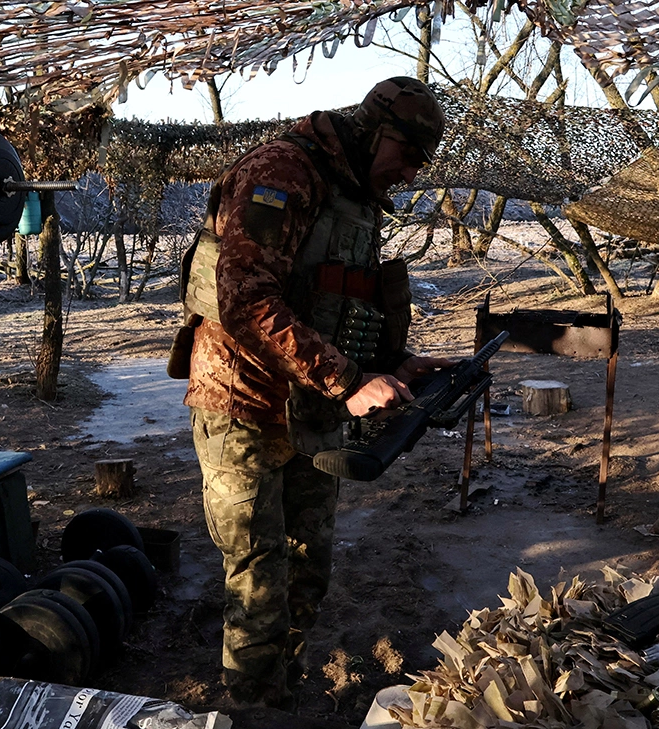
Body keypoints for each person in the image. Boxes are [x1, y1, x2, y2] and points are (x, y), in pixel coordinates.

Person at [168, 77, 450, 709]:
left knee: (308, 564)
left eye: (420, 164)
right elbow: (246, 301)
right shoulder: (283, 171)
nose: (409, 174)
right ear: (377, 132)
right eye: (406, 156)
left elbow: (336, 300)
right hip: (241, 397)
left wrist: (393, 366)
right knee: (257, 571)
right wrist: (347, 381)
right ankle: (247, 702)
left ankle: (280, 685)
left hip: (310, 401)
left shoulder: (355, 194)